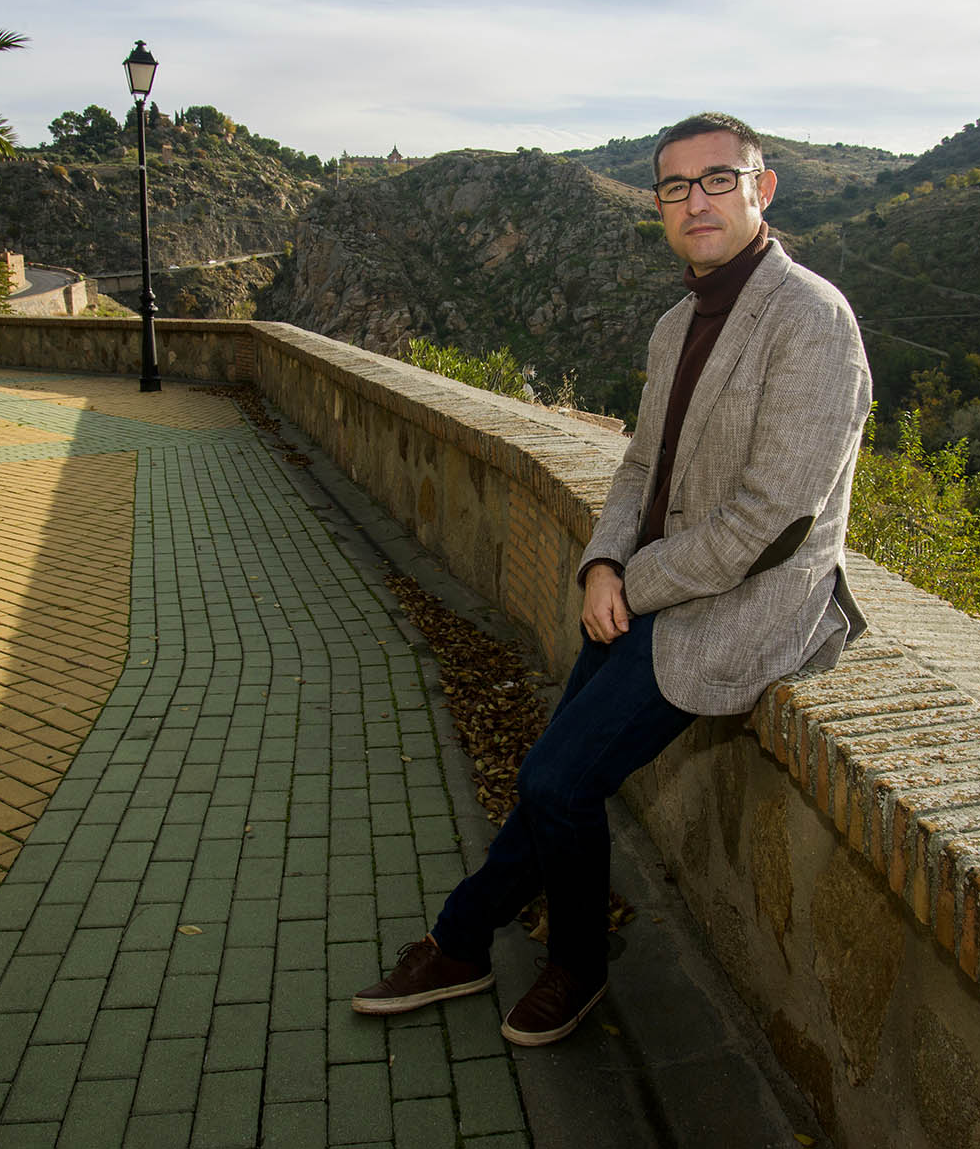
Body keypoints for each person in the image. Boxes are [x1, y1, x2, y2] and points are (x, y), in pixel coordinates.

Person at [352, 112, 873, 1046]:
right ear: (659, 206)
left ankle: (573, 966)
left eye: (719, 179)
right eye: (675, 187)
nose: (696, 201)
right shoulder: (680, 323)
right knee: (556, 775)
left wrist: (632, 582)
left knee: (556, 776)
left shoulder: (813, 320)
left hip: (744, 604)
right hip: (656, 587)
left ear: (765, 187)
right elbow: (639, 467)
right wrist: (601, 560)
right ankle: (464, 938)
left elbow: (774, 518)